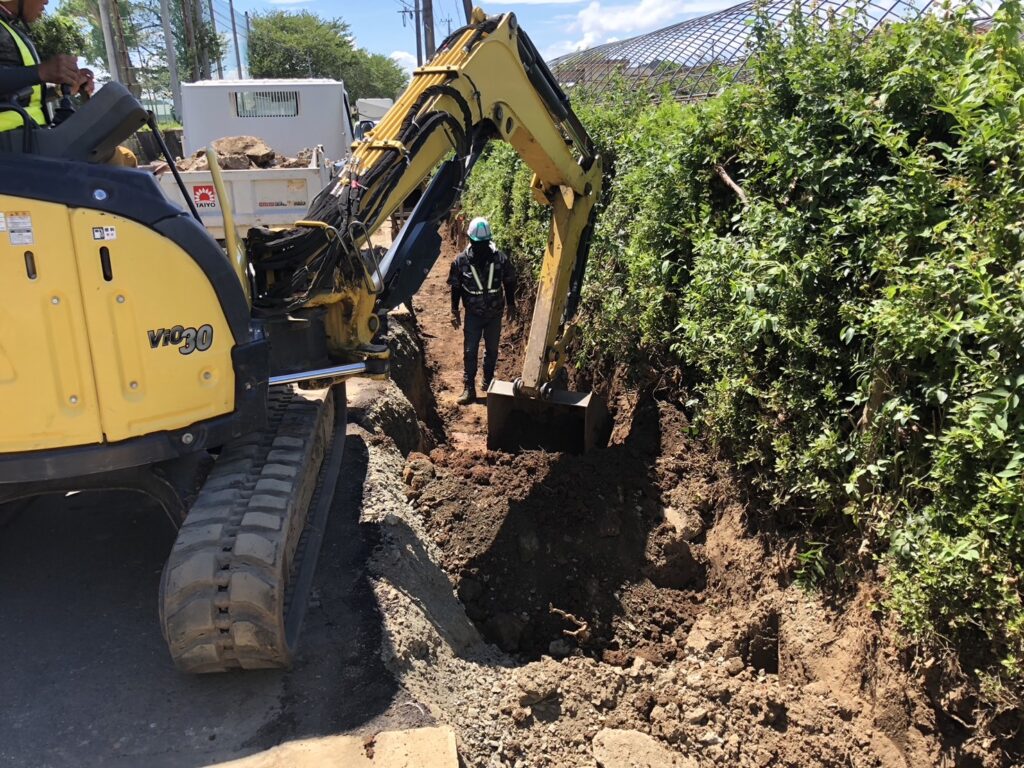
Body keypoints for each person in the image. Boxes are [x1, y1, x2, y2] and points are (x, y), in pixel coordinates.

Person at [449, 216, 517, 405]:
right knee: (470, 351)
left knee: (492, 350)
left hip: (494, 314)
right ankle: (469, 388)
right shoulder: (460, 261)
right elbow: (456, 287)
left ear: (489, 240)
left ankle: (488, 382)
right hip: (473, 314)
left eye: (484, 242)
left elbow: (509, 281)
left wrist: (511, 304)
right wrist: (454, 310)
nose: (481, 247)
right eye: (478, 243)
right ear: (470, 240)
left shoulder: (500, 259)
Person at [0, 0, 93, 134]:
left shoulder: (8, 28)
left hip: (29, 139)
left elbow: (21, 94)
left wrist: (61, 88)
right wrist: (42, 72)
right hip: (10, 147)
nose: (47, 1)